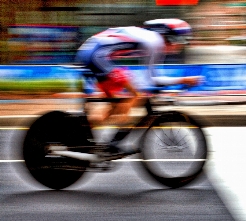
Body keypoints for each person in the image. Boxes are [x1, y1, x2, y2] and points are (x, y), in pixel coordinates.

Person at [75, 19, 202, 156]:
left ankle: (80, 135)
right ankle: (111, 145)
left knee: (115, 108)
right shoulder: (155, 41)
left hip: (91, 54)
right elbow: (152, 79)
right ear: (171, 37)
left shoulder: (148, 37)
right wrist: (184, 80)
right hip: (97, 56)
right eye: (181, 41)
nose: (180, 46)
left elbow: (150, 80)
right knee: (137, 95)